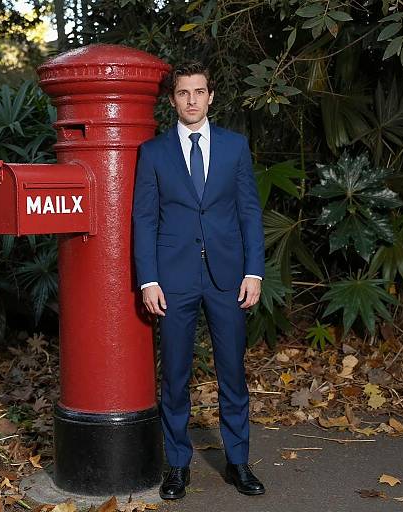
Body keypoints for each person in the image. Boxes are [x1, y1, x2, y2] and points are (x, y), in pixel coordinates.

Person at [132, 61, 265, 500]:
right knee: (174, 377)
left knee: (232, 372)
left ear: (211, 96)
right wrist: (148, 279)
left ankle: (239, 462)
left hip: (228, 277)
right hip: (173, 281)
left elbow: (248, 211)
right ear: (172, 99)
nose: (192, 100)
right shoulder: (152, 152)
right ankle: (177, 466)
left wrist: (254, 271)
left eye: (199, 92)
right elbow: (144, 219)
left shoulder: (235, 147)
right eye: (183, 93)